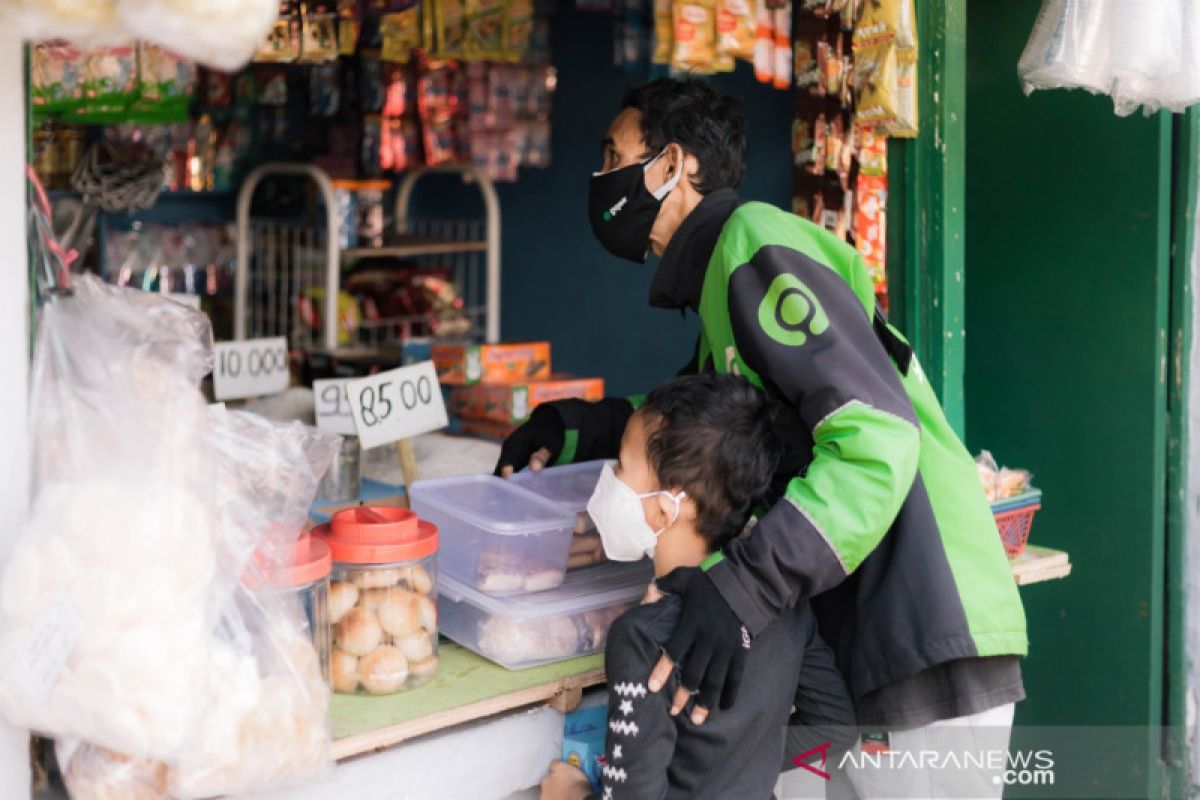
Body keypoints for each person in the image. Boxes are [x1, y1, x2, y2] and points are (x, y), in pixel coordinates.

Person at [500, 76, 1028, 798]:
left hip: (920, 620)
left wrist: (743, 587)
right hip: (866, 636)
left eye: (612, 155)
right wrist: (568, 426)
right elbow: (684, 428)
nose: (601, 179)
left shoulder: (754, 245)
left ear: (673, 165)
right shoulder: (725, 280)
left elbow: (877, 438)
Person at [539, 374, 855, 800]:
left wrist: (568, 796)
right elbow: (835, 728)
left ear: (669, 505)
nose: (609, 477)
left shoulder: (642, 635)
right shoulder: (783, 607)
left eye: (621, 467)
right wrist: (745, 764)